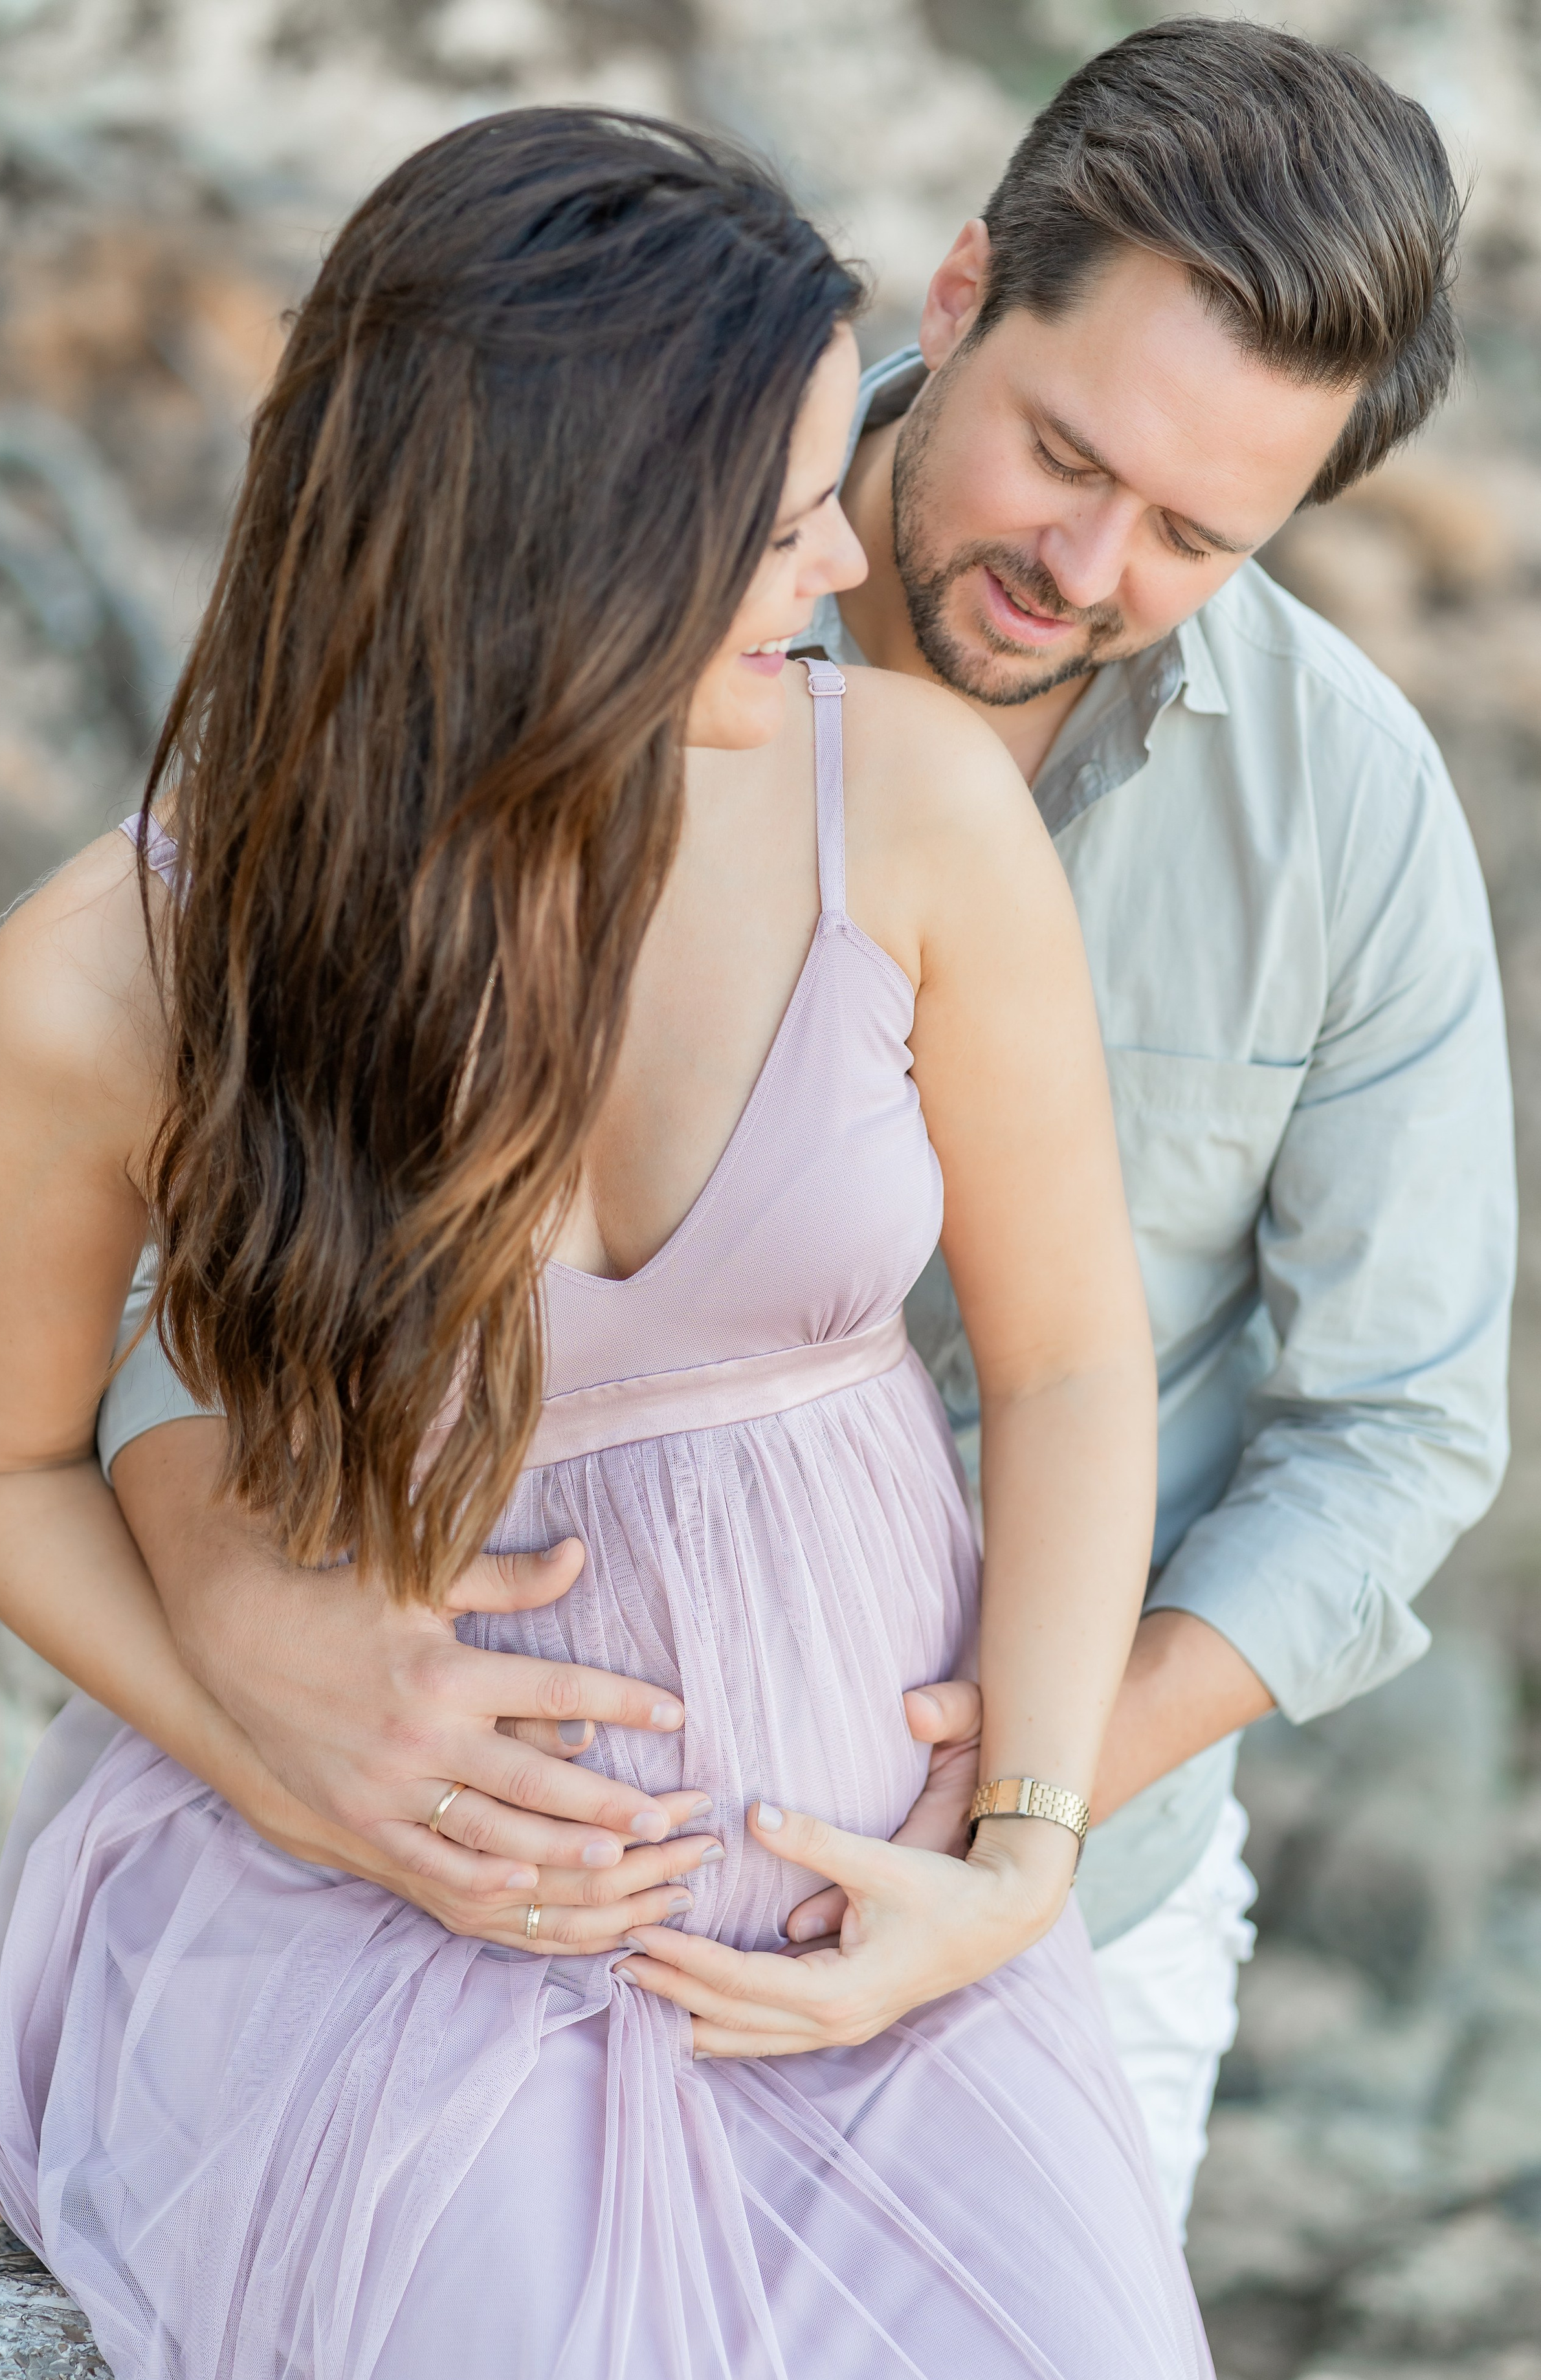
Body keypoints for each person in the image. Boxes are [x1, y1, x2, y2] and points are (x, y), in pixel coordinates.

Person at [74, 16, 1516, 2238]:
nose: (1086, 566)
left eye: (1195, 536)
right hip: (468, 1878)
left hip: (1054, 1920)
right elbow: (225, 1199)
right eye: (1064, 454)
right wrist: (228, 1602)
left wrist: (1023, 1808)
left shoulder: (1346, 809)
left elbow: (1400, 1430)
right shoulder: (570, 607)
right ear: (962, 294)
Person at [0, 111, 1236, 2380]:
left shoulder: (909, 805)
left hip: (880, 1973)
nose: (847, 565)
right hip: (384, 1948)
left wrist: (1016, 1864)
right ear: (557, 545)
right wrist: (274, 1756)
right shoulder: (109, 978)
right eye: (779, 522)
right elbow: (1, 1460)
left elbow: (1064, 1364)